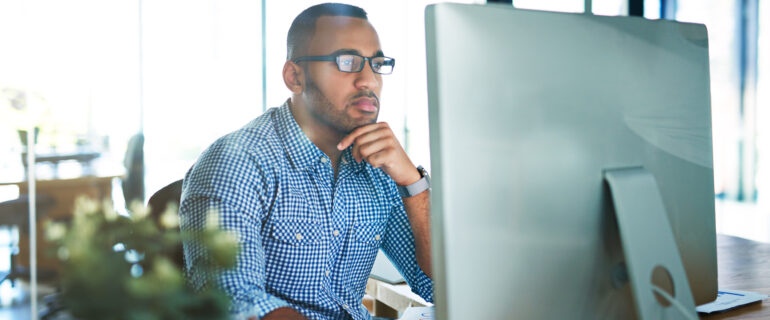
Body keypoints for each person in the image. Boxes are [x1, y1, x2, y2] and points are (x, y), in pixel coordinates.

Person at [179, 3, 433, 320]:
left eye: (377, 63)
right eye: (348, 62)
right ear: (294, 77)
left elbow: (437, 285)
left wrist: (413, 184)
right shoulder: (237, 161)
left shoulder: (379, 167)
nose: (368, 79)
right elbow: (236, 305)